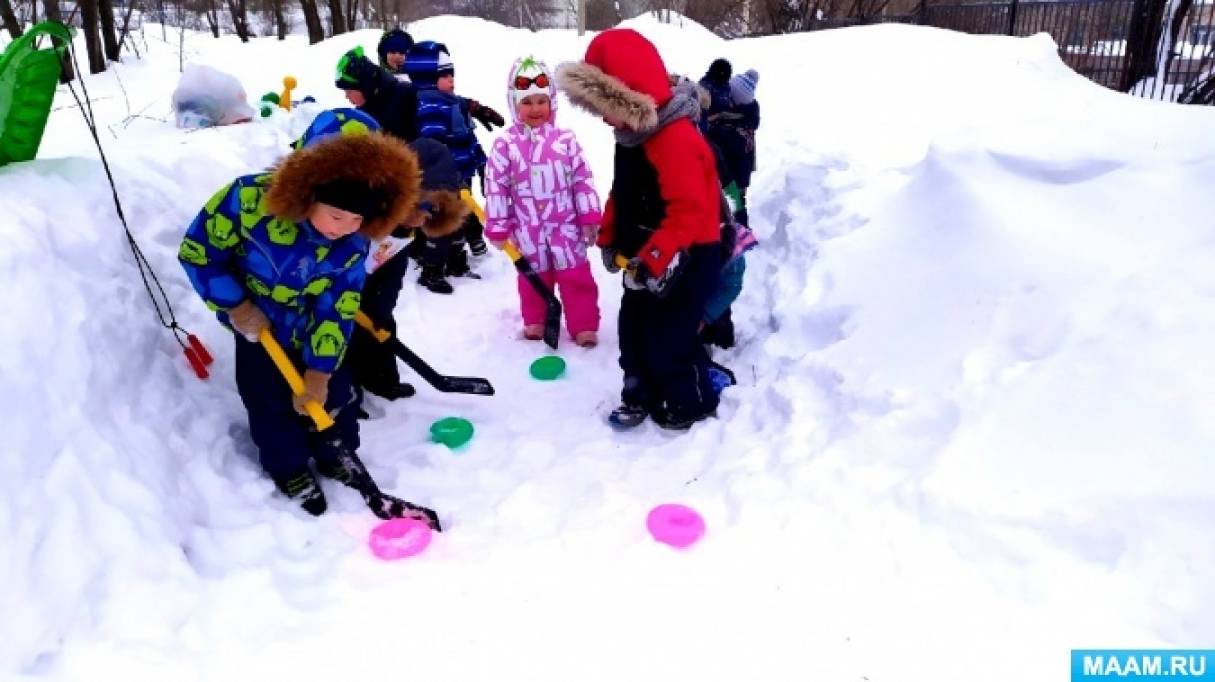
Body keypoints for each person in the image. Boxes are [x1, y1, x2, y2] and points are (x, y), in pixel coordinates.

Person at [177, 121, 436, 523]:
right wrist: (237, 306)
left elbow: (339, 305)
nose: (345, 229)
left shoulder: (354, 239)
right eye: (336, 216)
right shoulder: (248, 201)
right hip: (258, 327)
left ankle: (335, 453)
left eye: (356, 221)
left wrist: (320, 368)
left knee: (335, 394)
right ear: (308, 195)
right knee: (269, 401)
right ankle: (290, 468)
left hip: (314, 323)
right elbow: (198, 252)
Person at [557, 28, 724, 430]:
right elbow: (624, 189)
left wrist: (654, 256)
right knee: (633, 332)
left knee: (671, 337)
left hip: (687, 253)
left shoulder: (676, 138)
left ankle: (692, 399)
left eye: (605, 104)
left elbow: (689, 209)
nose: (601, 116)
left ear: (631, 95)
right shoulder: (632, 134)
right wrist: (609, 234)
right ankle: (639, 391)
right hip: (647, 255)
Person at [484, 56, 602, 347]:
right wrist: (498, 225)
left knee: (576, 277)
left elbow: (582, 178)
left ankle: (584, 324)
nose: (535, 109)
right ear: (514, 104)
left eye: (541, 101)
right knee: (533, 279)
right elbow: (496, 187)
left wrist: (589, 216)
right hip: (527, 229)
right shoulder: (505, 145)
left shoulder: (566, 140)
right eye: (527, 102)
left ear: (551, 102)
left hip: (566, 227)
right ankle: (535, 319)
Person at [350, 137, 469, 401]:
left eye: (432, 212)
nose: (422, 217)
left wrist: (383, 303)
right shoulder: (367, 217)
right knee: (346, 335)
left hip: (375, 283)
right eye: (419, 206)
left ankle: (382, 379)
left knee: (381, 322)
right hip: (343, 293)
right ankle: (348, 391)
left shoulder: (406, 231)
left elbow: (392, 272)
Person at [403, 41, 505, 293]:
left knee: (461, 223)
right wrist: (450, 178)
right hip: (443, 182)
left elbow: (468, 139)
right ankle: (432, 271)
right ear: (427, 80)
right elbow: (434, 146)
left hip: (462, 176)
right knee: (444, 227)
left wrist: (481, 163)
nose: (452, 80)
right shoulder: (430, 106)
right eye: (444, 76)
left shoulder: (449, 103)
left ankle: (456, 264)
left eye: (452, 74)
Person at [334, 46, 418, 142]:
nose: (346, 96)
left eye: (349, 91)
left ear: (364, 86)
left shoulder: (406, 96)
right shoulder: (363, 113)